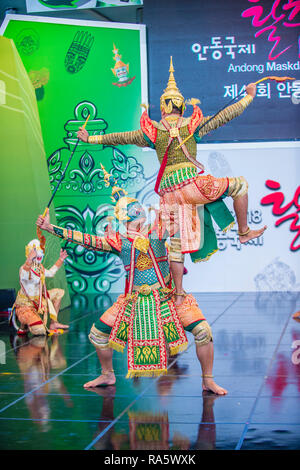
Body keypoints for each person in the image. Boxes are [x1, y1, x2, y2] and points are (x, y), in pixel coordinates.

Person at [77, 57, 266, 305]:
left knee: (175, 243)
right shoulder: (191, 125)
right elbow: (225, 115)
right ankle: (243, 232)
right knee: (239, 185)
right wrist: (248, 97)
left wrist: (90, 139)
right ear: (181, 106)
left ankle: (177, 294)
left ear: (163, 107)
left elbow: (121, 137)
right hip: (192, 185)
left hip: (168, 193)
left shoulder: (154, 131)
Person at [36, 170, 227, 395]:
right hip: (133, 302)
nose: (139, 217)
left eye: (140, 214)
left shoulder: (158, 231)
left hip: (166, 298)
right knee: (97, 334)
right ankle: (107, 374)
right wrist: (50, 228)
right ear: (124, 219)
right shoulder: (118, 241)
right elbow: (84, 238)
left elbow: (177, 221)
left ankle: (208, 380)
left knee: (203, 330)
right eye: (134, 215)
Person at [10, 232, 69, 336]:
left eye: (41, 252)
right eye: (37, 253)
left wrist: (60, 260)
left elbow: (50, 273)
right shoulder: (24, 269)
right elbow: (24, 275)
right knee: (40, 331)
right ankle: (25, 323)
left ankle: (54, 323)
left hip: (39, 301)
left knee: (59, 293)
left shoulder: (39, 267)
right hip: (26, 306)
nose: (40, 255)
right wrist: (29, 259)